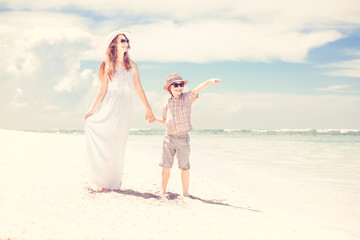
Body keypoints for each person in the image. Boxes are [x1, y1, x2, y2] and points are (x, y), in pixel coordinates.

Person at [84, 29, 155, 192]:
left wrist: (149, 109)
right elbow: (102, 89)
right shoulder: (105, 64)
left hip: (125, 107)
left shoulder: (133, 66)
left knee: (117, 145)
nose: (126, 43)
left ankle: (111, 183)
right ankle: (101, 182)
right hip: (109, 105)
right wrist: (91, 110)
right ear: (114, 44)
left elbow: (138, 88)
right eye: (122, 40)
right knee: (106, 143)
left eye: (127, 41)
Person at [153, 73, 221, 197]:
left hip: (183, 139)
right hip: (168, 137)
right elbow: (165, 121)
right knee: (166, 166)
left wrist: (210, 81)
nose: (179, 87)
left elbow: (198, 89)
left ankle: (185, 193)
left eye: (181, 85)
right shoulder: (167, 103)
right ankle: (163, 190)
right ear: (169, 88)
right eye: (176, 85)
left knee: (184, 166)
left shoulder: (187, 98)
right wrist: (154, 119)